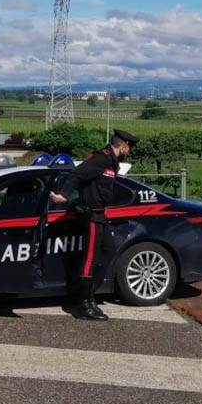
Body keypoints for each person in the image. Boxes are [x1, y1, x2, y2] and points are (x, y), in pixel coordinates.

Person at [49, 129, 139, 321]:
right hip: (91, 216)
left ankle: (89, 296)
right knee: (90, 259)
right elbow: (77, 175)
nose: (129, 152)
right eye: (128, 148)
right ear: (122, 146)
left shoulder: (112, 162)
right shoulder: (101, 159)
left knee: (109, 251)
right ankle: (83, 306)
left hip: (100, 216)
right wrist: (64, 195)